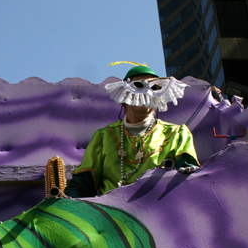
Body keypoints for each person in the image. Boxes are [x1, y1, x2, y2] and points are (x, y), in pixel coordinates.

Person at [65, 63, 199, 198]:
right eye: (139, 86)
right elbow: (83, 184)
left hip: (158, 214)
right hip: (113, 214)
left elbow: (190, 179)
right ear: (124, 93)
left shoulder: (176, 134)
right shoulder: (104, 137)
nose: (147, 92)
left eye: (154, 87)